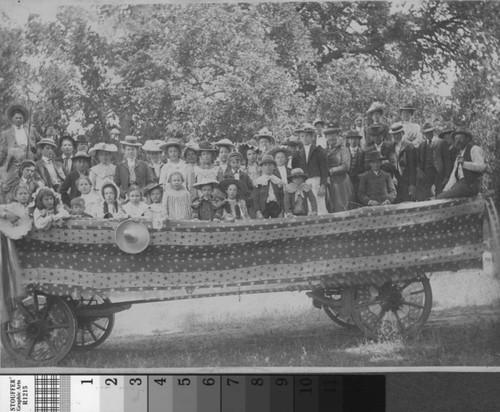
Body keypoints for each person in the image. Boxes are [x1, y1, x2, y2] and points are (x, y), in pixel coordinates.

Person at [437, 128, 486, 199]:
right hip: (461, 185)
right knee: (441, 195)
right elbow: (453, 176)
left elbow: (481, 167)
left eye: (461, 138)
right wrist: (445, 190)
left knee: (443, 197)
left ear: (467, 139)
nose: (458, 141)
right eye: (456, 139)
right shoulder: (459, 156)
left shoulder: (474, 149)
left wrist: (464, 163)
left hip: (471, 185)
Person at [291, 123, 329, 215]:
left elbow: (324, 170)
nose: (304, 138)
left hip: (316, 182)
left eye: (307, 136)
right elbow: (294, 171)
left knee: (319, 205)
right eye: (302, 136)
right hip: (303, 183)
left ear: (312, 137)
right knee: (306, 206)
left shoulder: (319, 151)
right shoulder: (297, 154)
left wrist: (323, 185)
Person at [416, 122, 452, 200]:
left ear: (433, 132)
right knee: (423, 194)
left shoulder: (441, 142)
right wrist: (419, 169)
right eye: (426, 133)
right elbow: (418, 160)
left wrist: (447, 176)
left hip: (439, 172)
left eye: (429, 132)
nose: (428, 134)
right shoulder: (422, 145)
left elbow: (447, 160)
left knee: (440, 194)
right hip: (426, 172)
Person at [0, 104, 40, 170]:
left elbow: (41, 142)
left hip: (30, 158)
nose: (18, 120)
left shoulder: (31, 130)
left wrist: (37, 154)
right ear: (12, 119)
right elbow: (3, 151)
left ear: (23, 119)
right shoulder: (6, 133)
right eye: (16, 118)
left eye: (20, 118)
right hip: (14, 160)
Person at [325, 124, 354, 213]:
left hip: (341, 183)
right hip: (328, 183)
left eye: (334, 135)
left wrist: (331, 171)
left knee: (341, 206)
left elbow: (346, 166)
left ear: (338, 136)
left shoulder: (343, 149)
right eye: (329, 136)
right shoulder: (324, 151)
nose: (331, 138)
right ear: (326, 137)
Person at [386, 122, 417, 203]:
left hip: (407, 180)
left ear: (402, 133)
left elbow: (412, 167)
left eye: (397, 134)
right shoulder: (391, 147)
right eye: (393, 134)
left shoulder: (409, 146)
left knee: (408, 202)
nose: (395, 136)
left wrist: (412, 184)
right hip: (396, 181)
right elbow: (390, 165)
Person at [253, 154, 284, 219]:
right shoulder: (258, 181)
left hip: (276, 207)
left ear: (274, 167)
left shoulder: (277, 180)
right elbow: (255, 198)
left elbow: (282, 197)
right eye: (265, 165)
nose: (267, 167)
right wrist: (258, 211)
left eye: (270, 165)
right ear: (261, 167)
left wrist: (282, 211)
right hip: (263, 208)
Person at [345, 130, 365, 201]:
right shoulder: (344, 152)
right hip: (347, 180)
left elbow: (365, 167)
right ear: (348, 141)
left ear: (359, 140)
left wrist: (362, 175)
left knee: (359, 198)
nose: (353, 141)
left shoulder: (363, 152)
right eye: (351, 139)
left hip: (359, 180)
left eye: (356, 139)